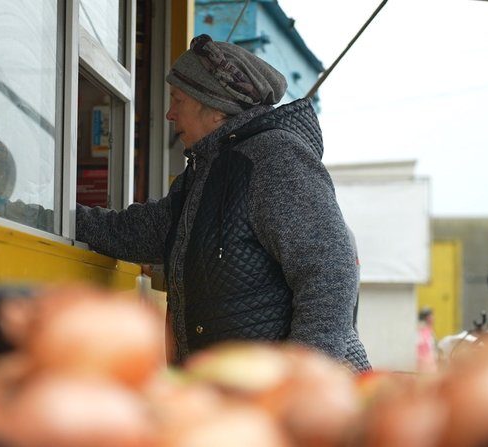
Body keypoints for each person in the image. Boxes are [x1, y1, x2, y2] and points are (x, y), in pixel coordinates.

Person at [76, 34, 371, 373]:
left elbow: (330, 272)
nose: (170, 114)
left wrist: (300, 377)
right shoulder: (207, 169)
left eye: (177, 99)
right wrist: (56, 216)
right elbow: (143, 230)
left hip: (291, 395)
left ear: (215, 109)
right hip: (234, 390)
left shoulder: (273, 158)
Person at [417, 307, 438, 372]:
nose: (433, 318)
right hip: (425, 366)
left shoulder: (428, 330)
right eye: (431, 315)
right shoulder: (421, 330)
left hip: (430, 364)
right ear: (427, 318)